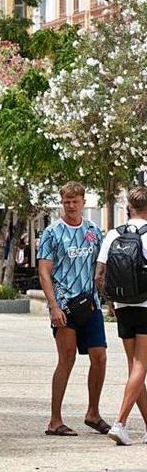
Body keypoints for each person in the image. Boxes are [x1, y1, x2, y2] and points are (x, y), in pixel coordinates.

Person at [37, 182, 108, 437]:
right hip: (65, 306)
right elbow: (44, 272)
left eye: (75, 200)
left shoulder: (92, 230)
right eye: (66, 201)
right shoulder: (52, 232)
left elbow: (101, 265)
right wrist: (53, 306)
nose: (71, 205)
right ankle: (55, 419)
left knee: (99, 355)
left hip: (90, 303)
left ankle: (93, 412)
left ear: (83, 201)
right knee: (66, 359)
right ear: (62, 201)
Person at [96, 186, 147, 445]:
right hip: (146, 305)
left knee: (134, 369)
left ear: (129, 207)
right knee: (141, 367)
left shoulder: (113, 234)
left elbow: (99, 275)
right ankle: (120, 422)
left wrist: (110, 303)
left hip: (123, 304)